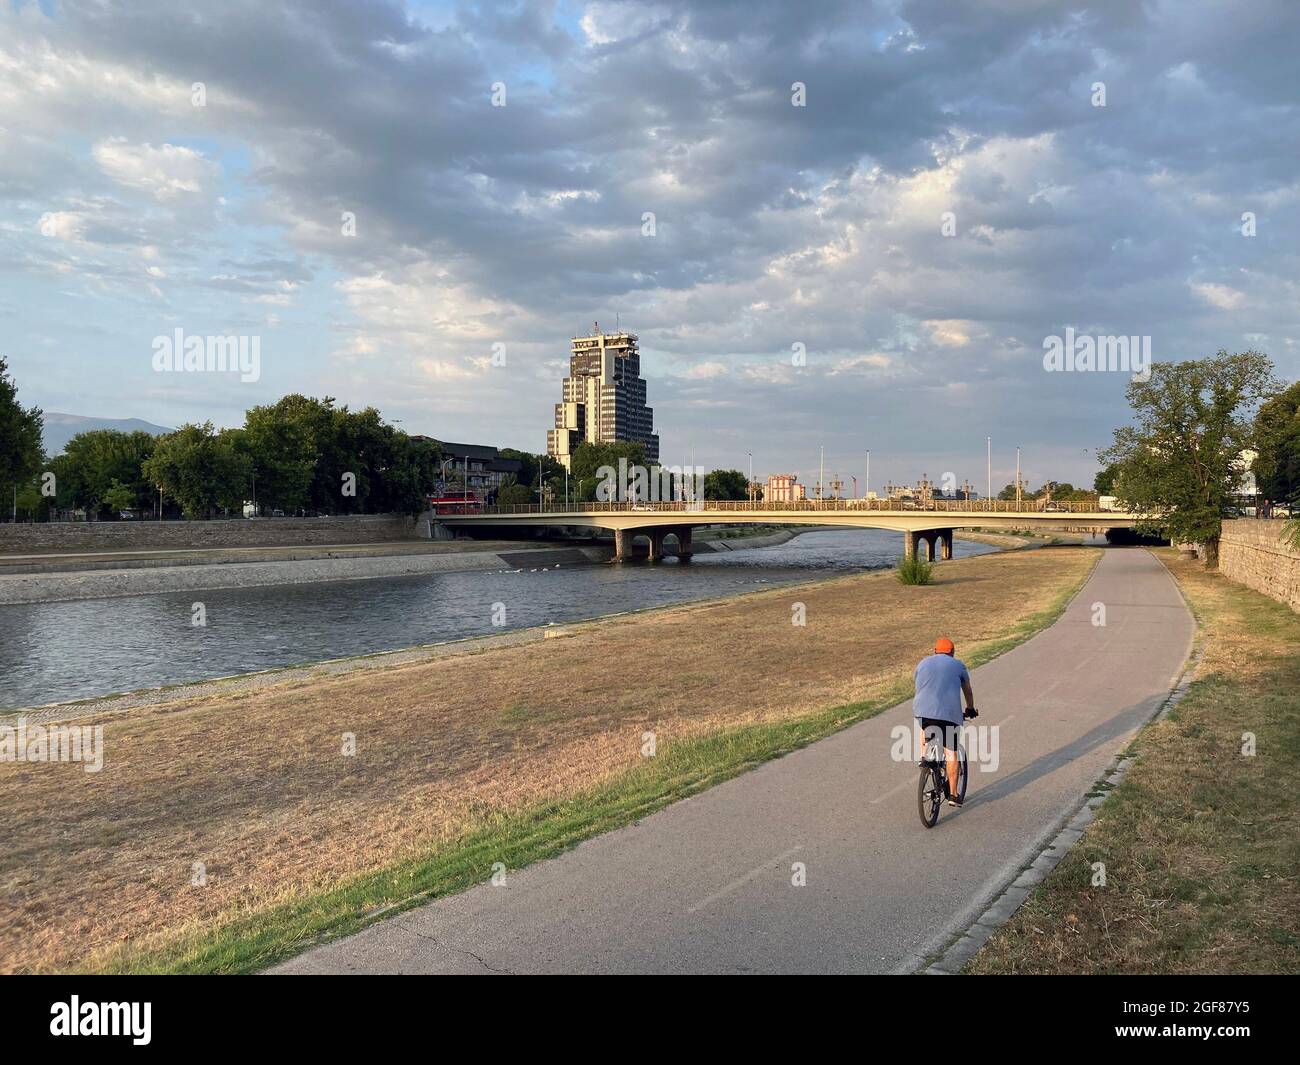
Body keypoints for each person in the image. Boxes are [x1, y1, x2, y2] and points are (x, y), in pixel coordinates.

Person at [913, 636, 977, 806]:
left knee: (923, 724)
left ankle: (924, 756)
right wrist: (970, 709)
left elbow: (919, 684)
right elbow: (968, 691)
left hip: (922, 709)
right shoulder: (959, 666)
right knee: (951, 753)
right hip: (949, 714)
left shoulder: (922, 663)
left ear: (935, 651)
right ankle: (954, 795)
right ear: (953, 652)